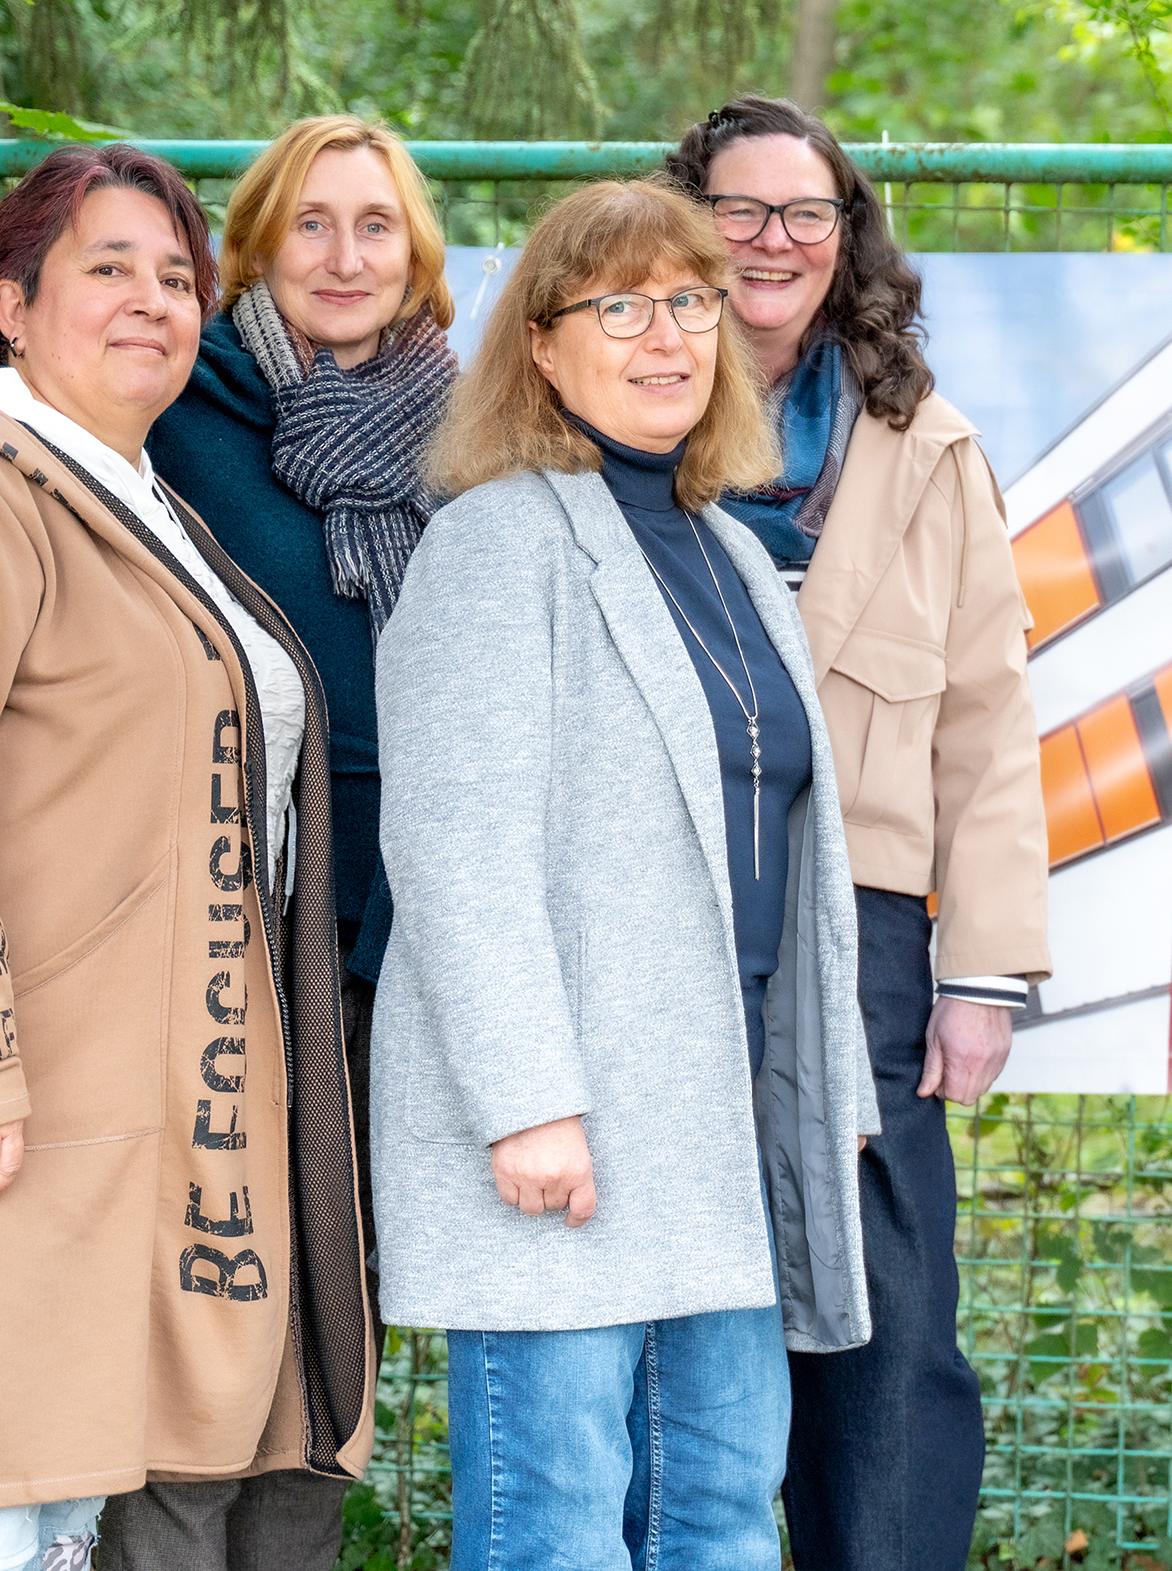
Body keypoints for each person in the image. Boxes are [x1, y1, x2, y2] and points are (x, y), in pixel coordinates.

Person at [0, 116, 457, 1571]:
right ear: (12, 304)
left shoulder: (142, 496)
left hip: (139, 1089)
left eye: (175, 274)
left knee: (43, 1524)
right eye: (110, 270)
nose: (153, 300)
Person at [369, 177, 877, 1571]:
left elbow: (786, 848)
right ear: (540, 343)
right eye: (621, 307)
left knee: (718, 1520)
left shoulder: (724, 543)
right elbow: (453, 847)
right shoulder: (496, 540)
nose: (667, 338)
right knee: (557, 1531)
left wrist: (817, 1083)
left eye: (690, 302)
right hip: (571, 1135)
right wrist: (529, 1102)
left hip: (712, 1129)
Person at [665, 97, 1051, 1571]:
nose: (771, 241)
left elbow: (986, 719)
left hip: (871, 923)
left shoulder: (925, 442)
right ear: (684, 224)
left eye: (803, 214)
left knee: (884, 1301)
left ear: (845, 240)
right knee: (678, 1291)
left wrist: (981, 971)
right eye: (738, 210)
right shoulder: (606, 410)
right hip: (665, 905)